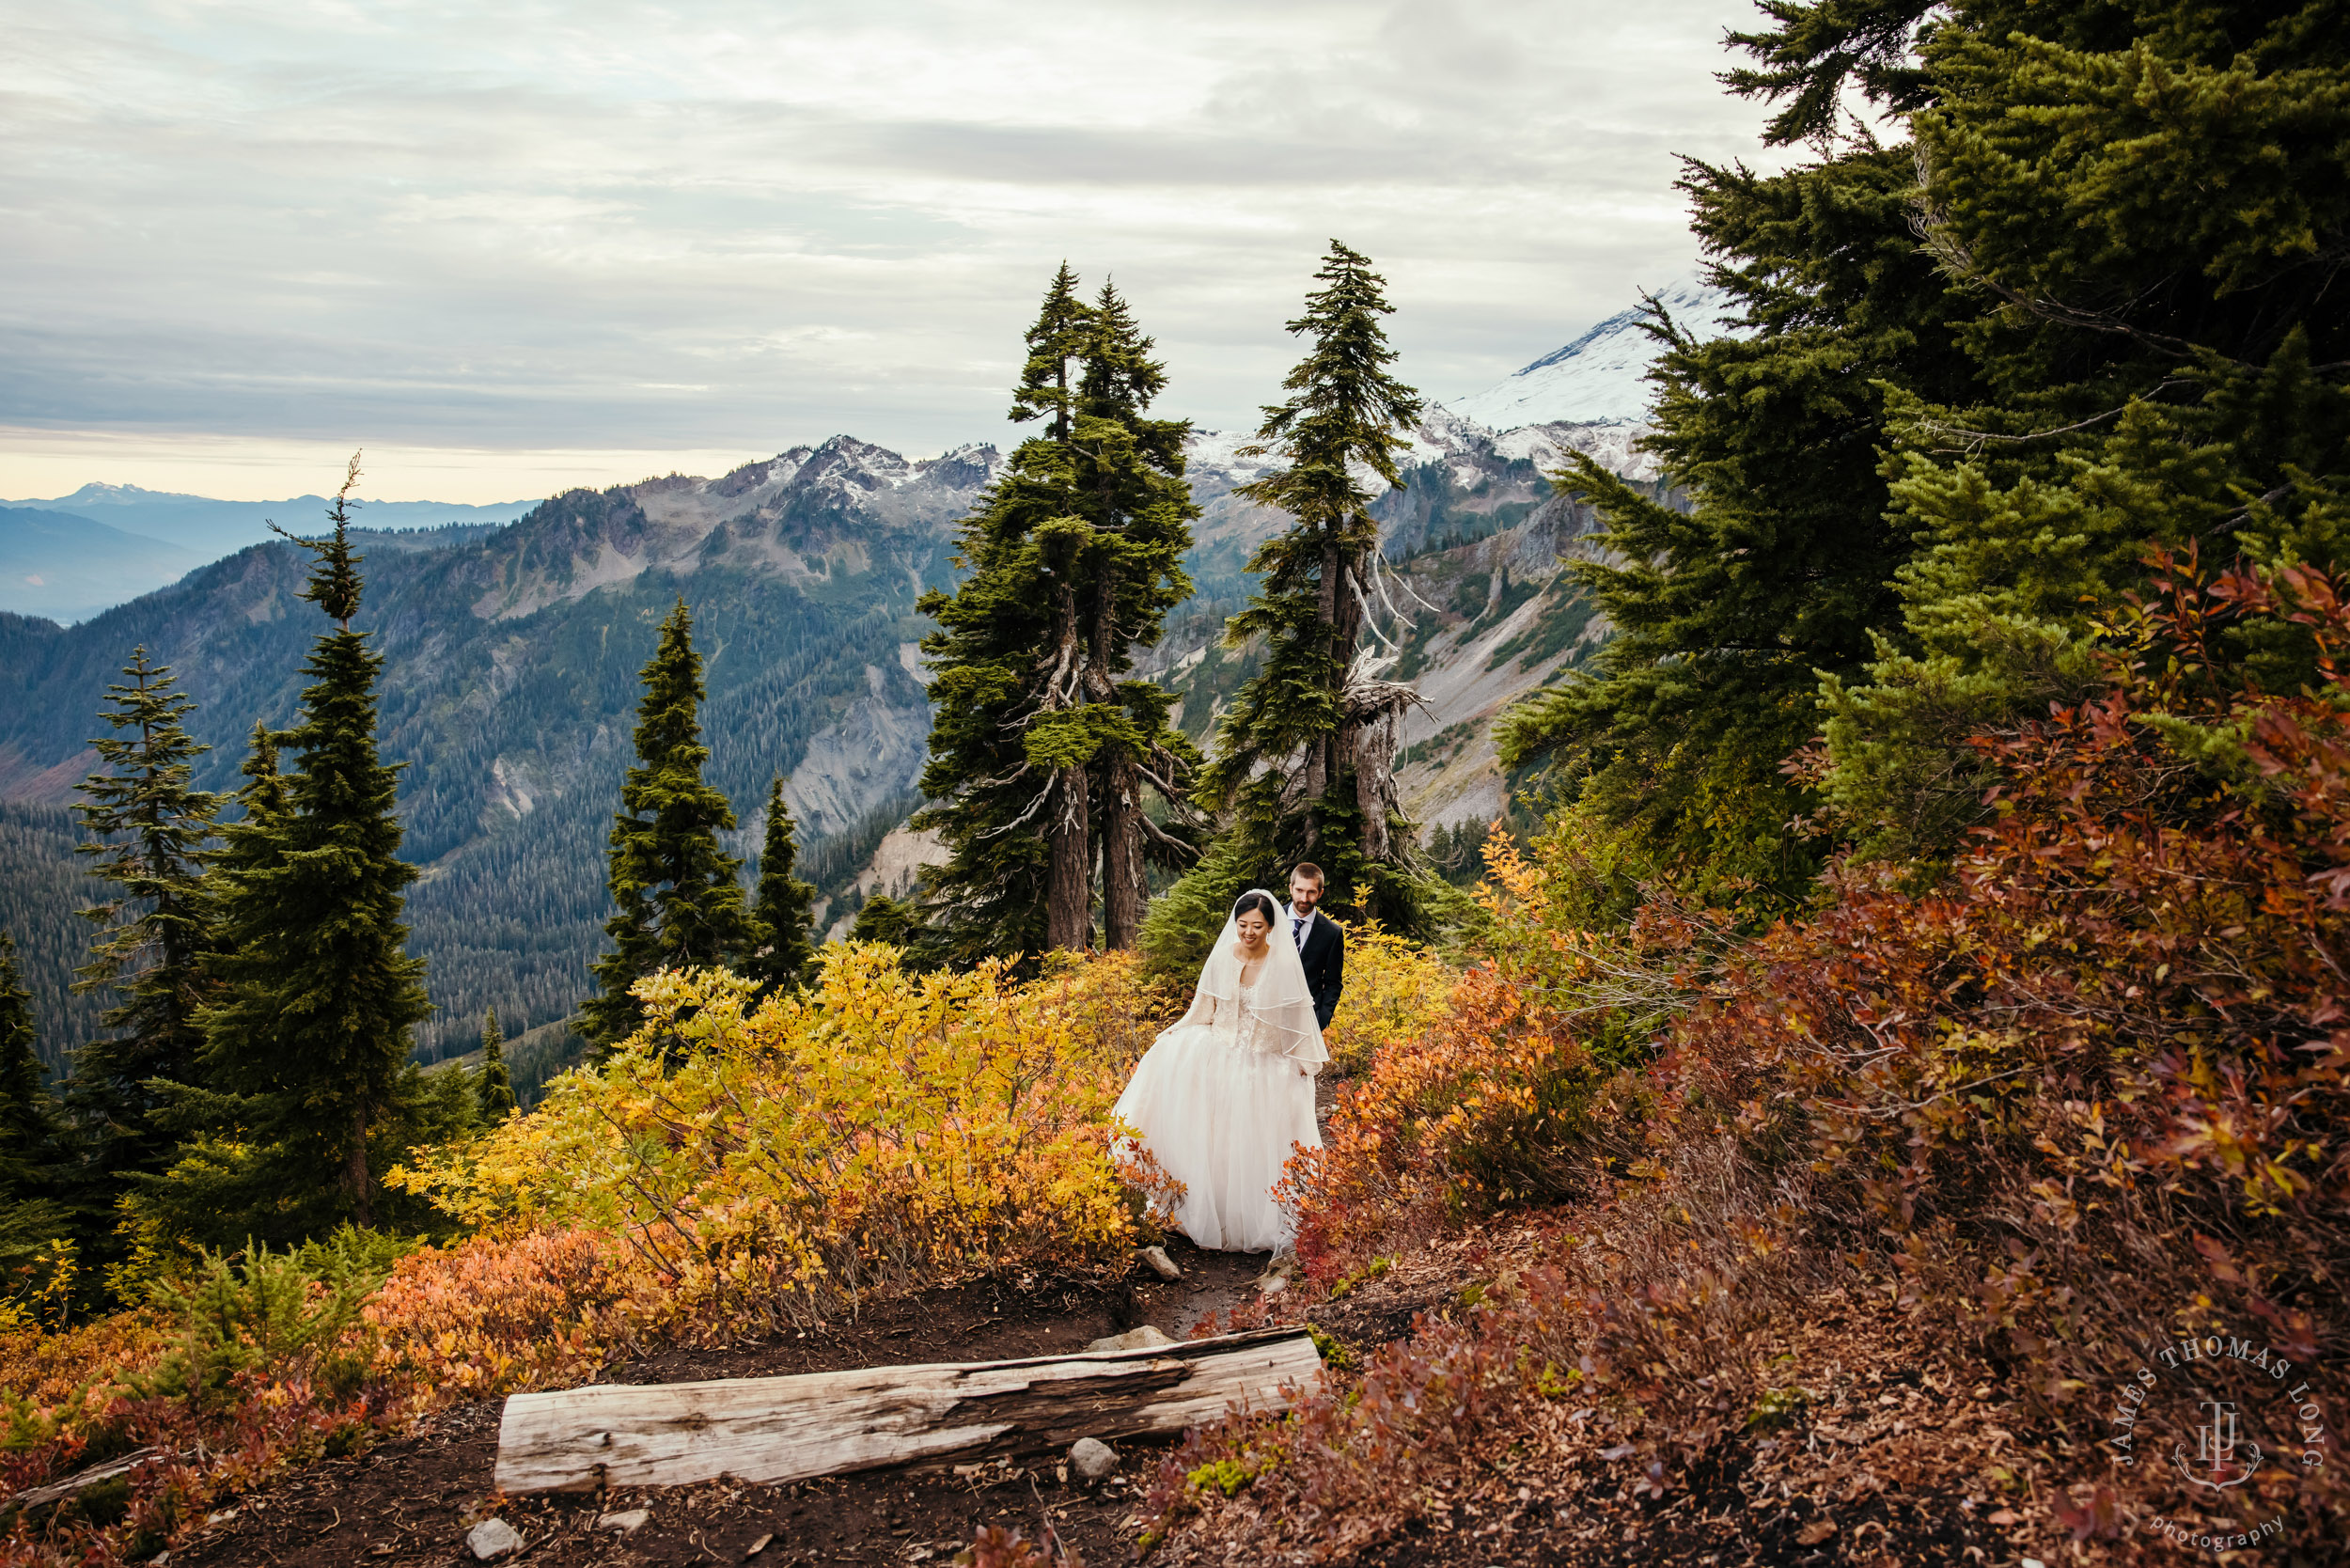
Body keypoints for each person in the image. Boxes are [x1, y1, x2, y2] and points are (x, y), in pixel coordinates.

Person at [1111, 889, 1327, 1252]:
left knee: (1252, 1135)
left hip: (1263, 1056)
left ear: (1271, 927)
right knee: (1207, 1124)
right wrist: (1172, 1034)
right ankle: (1203, 1207)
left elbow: (1297, 1020)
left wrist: (1304, 1063)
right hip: (1221, 1046)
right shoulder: (1223, 958)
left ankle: (1252, 1216)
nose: (1248, 932)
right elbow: (1203, 1009)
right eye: (1242, 925)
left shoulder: (1284, 965)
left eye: (1257, 926)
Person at [1283, 863, 1345, 1031]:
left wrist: (1320, 1021)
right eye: (1300, 891)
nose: (1304, 898)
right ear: (1291, 888)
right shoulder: (1270, 921)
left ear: (1320, 893)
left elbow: (1333, 983)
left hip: (1307, 1022)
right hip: (1268, 1016)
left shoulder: (1332, 933)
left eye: (1311, 892)